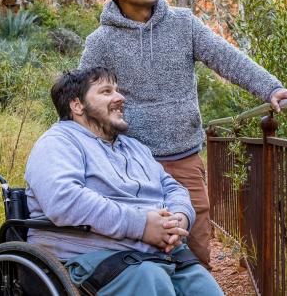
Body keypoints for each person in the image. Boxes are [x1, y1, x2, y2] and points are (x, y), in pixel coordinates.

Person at [79, 0, 287, 267]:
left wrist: (271, 88)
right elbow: (85, 97)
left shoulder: (182, 23)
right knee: (142, 251)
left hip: (183, 158)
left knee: (196, 250)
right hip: (129, 163)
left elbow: (226, 58)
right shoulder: (101, 41)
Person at [24, 67, 223, 295]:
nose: (120, 98)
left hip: (157, 253)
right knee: (152, 279)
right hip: (91, 257)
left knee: (204, 288)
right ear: (77, 105)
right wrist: (142, 225)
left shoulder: (134, 147)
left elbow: (171, 187)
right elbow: (62, 199)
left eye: (117, 90)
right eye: (106, 92)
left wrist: (179, 218)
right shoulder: (58, 142)